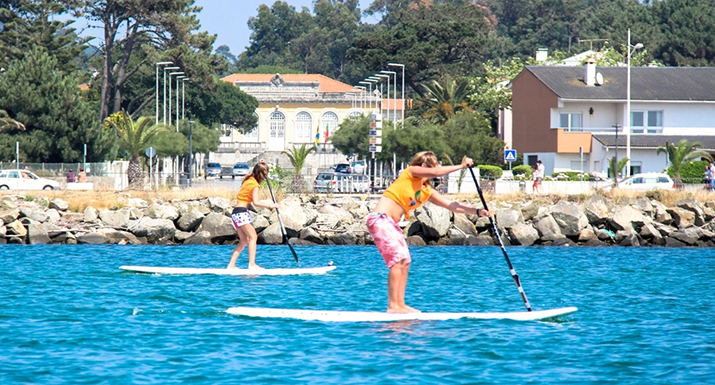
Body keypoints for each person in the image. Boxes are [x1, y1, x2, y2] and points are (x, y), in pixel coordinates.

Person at [366, 151, 493, 314]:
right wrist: (461, 166)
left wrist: (477, 211)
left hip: (390, 223)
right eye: (435, 167)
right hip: (380, 219)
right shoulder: (411, 172)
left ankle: (400, 304)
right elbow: (435, 172)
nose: (436, 171)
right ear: (424, 166)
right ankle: (393, 306)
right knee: (398, 260)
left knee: (405, 261)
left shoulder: (426, 191)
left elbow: (452, 206)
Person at [227, 162, 279, 269]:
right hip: (241, 212)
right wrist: (271, 205)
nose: (265, 177)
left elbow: (256, 169)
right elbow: (256, 202)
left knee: (244, 241)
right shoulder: (255, 186)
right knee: (253, 237)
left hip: (236, 213)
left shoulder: (248, 179)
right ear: (259, 174)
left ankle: (231, 265)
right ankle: (252, 264)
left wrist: (261, 163)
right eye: (264, 174)